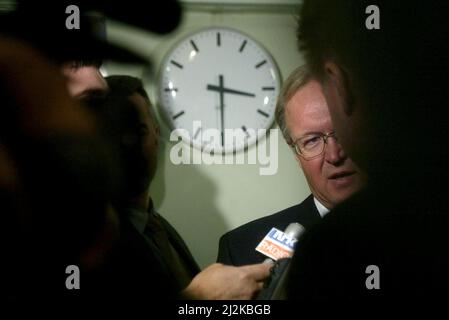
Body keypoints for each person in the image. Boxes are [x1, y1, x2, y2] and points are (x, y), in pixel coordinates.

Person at [286, 0, 448, 300]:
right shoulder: (240, 245)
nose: (334, 155)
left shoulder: (333, 249)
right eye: (311, 140)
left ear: (339, 81)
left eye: (335, 129)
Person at [100, 75, 271, 299]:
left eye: (139, 132)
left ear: (156, 133)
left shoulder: (159, 229)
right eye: (115, 136)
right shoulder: (89, 241)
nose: (128, 146)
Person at [217, 66, 366, 266]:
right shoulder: (241, 251)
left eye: (344, 131)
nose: (334, 155)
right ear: (295, 151)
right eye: (312, 140)